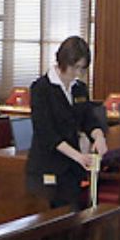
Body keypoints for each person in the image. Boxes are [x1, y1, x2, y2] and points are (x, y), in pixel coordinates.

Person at [26, 36, 110, 209]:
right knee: (53, 224)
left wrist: (99, 137)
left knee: (73, 220)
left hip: (71, 170)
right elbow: (47, 133)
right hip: (48, 167)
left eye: (83, 68)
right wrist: (79, 156)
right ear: (63, 62)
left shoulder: (79, 88)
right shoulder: (41, 89)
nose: (78, 73)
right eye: (75, 67)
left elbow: (89, 119)